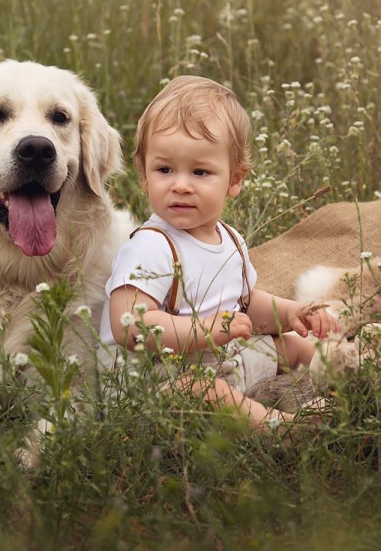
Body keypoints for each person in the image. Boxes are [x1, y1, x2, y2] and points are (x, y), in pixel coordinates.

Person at [98, 75, 342, 429]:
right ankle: (284, 429)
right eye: (164, 169)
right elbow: (129, 325)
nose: (180, 184)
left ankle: (347, 380)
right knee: (203, 391)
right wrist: (203, 329)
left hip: (219, 357)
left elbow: (244, 302)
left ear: (235, 180)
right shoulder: (150, 246)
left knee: (290, 344)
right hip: (156, 386)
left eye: (200, 171)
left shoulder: (229, 239)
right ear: (145, 177)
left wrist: (291, 313)